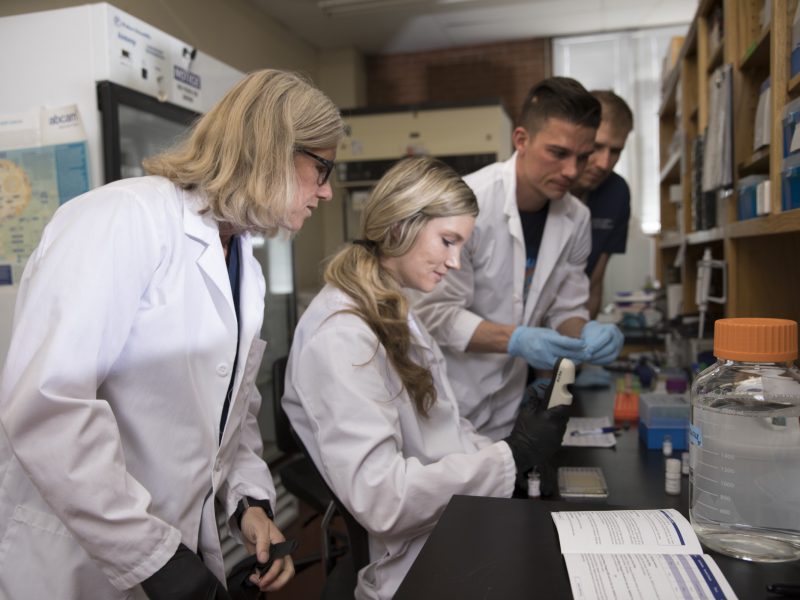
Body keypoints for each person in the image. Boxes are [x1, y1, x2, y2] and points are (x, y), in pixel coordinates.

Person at [0, 68, 344, 599]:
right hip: (78, 561)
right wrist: (155, 561)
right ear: (273, 147)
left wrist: (249, 502)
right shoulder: (120, 219)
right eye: (321, 169)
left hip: (176, 541)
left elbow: (233, 406)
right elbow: (48, 408)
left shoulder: (242, 259)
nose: (324, 192)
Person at [282, 156, 570, 600]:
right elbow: (383, 499)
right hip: (413, 563)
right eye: (448, 241)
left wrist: (513, 459)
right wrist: (509, 458)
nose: (455, 262)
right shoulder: (341, 335)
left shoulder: (397, 310)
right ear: (400, 226)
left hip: (450, 529)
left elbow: (445, 427)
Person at [412, 77, 625, 441]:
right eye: (558, 153)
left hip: (507, 405)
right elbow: (435, 313)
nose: (573, 171)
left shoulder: (577, 218)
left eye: (582, 156)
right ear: (522, 140)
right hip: (445, 399)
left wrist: (586, 331)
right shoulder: (468, 204)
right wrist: (516, 339)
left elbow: (566, 309)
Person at [570, 90, 634, 319]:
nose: (604, 163)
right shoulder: (549, 185)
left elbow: (594, 281)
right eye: (597, 147)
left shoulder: (617, 193)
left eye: (615, 151)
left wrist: (582, 347)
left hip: (572, 315)